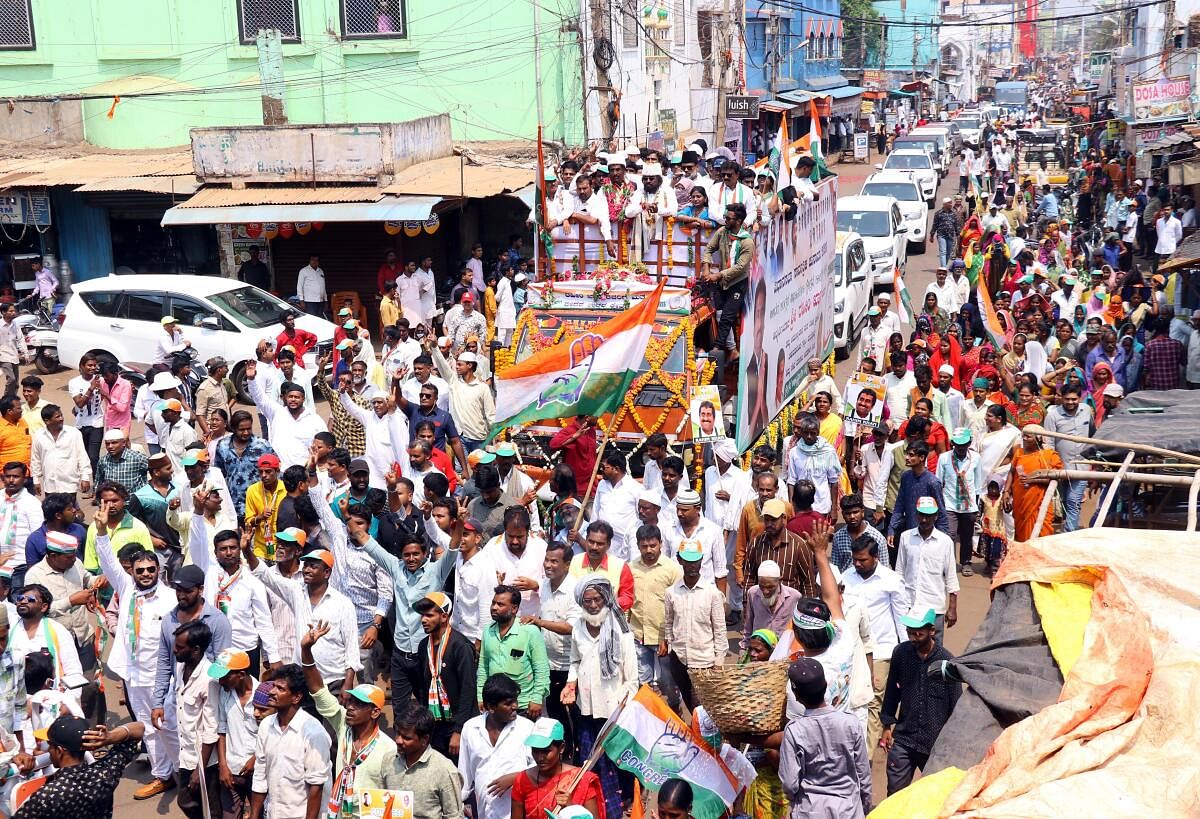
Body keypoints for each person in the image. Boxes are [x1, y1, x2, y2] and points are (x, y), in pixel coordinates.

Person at [91, 502, 181, 800]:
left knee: (168, 725)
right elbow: (107, 562)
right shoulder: (127, 588)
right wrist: (102, 531)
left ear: (159, 570)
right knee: (147, 726)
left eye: (150, 569)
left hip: (162, 677)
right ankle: (162, 775)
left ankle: (185, 775)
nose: (144, 574)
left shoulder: (170, 599)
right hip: (133, 672)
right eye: (139, 570)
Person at [561, 576, 637, 819]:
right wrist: (570, 684)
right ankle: (595, 807)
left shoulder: (622, 632)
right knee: (589, 760)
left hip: (614, 711)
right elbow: (574, 661)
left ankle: (623, 805)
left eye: (597, 599)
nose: (593, 605)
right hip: (586, 708)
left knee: (617, 762)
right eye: (587, 600)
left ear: (607, 598)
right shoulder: (578, 629)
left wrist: (622, 707)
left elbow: (631, 680)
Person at [244, 539, 361, 696]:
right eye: (306, 565)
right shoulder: (296, 592)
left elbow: (351, 646)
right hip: (302, 678)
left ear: (326, 573)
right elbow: (265, 575)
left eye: (313, 566)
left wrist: (348, 682)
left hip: (333, 681)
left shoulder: (343, 604)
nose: (306, 570)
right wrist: (246, 550)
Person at [299, 622, 393, 801]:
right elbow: (318, 689)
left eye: (359, 704)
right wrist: (306, 650)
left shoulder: (388, 749)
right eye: (351, 701)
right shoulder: (343, 724)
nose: (350, 707)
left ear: (374, 712)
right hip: (338, 811)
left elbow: (393, 795)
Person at [841, 537, 911, 757]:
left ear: (876, 557)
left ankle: (866, 757)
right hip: (852, 652)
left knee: (874, 700)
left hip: (882, 651)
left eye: (862, 560)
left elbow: (901, 617)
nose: (858, 564)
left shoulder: (891, 580)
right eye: (855, 560)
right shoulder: (845, 579)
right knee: (853, 699)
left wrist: (905, 652)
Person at [880, 608, 961, 794]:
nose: (913, 638)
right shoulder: (901, 653)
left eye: (918, 633)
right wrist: (886, 725)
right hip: (903, 739)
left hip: (933, 744)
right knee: (895, 796)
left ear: (931, 631)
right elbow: (892, 691)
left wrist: (950, 745)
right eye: (909, 632)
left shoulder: (947, 662)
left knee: (935, 796)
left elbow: (956, 706)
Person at [778, 658, 872, 818]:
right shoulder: (850, 723)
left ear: (796, 695)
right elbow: (863, 773)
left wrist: (795, 802)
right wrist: (865, 806)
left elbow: (789, 782)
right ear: (826, 685)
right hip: (849, 810)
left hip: (810, 810)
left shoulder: (795, 730)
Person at [12, 717, 147, 819]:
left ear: (59, 751)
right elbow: (139, 728)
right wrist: (109, 738)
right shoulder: (105, 773)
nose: (48, 750)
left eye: (50, 745)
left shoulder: (46, 797)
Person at [248, 664, 332, 819]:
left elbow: (316, 786)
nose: (272, 691)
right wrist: (254, 815)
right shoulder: (266, 726)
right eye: (273, 686)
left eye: (280, 689)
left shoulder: (314, 733)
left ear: (296, 697)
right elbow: (260, 775)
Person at [413, 591, 478, 758]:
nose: (423, 620)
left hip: (457, 726)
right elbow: (421, 688)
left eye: (429, 615)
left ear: (444, 617)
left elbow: (468, 689)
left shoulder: (461, 646)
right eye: (422, 615)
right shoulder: (423, 647)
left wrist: (458, 730)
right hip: (434, 726)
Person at [662, 545, 726, 711]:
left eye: (695, 561)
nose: (692, 566)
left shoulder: (713, 593)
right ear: (680, 560)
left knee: (702, 709)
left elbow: (720, 630)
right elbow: (668, 622)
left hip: (704, 661)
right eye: (688, 561)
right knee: (689, 703)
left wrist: (719, 661)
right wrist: (670, 645)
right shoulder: (671, 592)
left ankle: (704, 737)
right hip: (679, 659)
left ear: (701, 561)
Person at [477, 585, 550, 718]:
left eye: (500, 604)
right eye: (493, 603)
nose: (494, 607)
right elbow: (483, 667)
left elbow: (541, 669)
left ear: (514, 608)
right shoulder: (488, 631)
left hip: (523, 706)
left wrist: (537, 698)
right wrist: (481, 696)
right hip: (495, 705)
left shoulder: (530, 632)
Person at [628, 524, 682, 701]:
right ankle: (649, 718)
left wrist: (669, 637)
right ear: (638, 545)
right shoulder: (630, 568)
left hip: (663, 638)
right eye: (644, 546)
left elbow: (678, 606)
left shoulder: (672, 569)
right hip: (638, 635)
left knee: (669, 682)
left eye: (653, 545)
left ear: (660, 543)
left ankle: (675, 712)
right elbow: (628, 600)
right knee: (643, 684)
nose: (649, 550)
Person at [382, 703, 465, 818]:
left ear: (424, 739)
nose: (398, 740)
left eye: (407, 738)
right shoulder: (388, 760)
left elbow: (454, 815)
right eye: (398, 734)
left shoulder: (444, 770)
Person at [510, 717, 604, 819]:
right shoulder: (522, 780)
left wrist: (572, 808)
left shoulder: (581, 780)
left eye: (546, 751)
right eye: (535, 751)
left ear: (561, 748)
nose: (540, 758)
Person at [894, 496, 958, 643]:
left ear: (935, 516)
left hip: (934, 608)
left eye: (928, 516)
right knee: (909, 647)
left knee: (935, 650)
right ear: (916, 515)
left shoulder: (945, 542)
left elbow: (951, 576)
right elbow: (899, 572)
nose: (924, 520)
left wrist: (952, 608)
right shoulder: (905, 538)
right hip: (910, 605)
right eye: (921, 515)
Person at [244, 360, 326, 469]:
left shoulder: (314, 419)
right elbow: (260, 399)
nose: (293, 400)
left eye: (297, 397)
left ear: (303, 399)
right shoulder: (276, 412)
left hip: (305, 471)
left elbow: (324, 443)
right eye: (290, 396)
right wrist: (251, 380)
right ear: (284, 398)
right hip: (279, 470)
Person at [210, 648, 259, 819]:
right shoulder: (225, 695)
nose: (220, 681)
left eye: (225, 676)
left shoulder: (264, 695)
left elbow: (269, 735)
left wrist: (255, 758)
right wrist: (223, 765)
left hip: (258, 771)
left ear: (241, 674)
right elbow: (221, 731)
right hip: (231, 770)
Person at [936, 428, 984, 576]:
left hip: (969, 506)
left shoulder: (975, 458)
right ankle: (948, 563)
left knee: (967, 536)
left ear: (969, 443)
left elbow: (978, 484)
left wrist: (977, 507)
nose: (961, 448)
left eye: (964, 444)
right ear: (952, 444)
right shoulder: (944, 458)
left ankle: (966, 562)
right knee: (949, 535)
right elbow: (939, 481)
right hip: (949, 503)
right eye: (958, 445)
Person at [1003, 427, 1064, 542]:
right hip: (1020, 501)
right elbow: (1012, 472)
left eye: (1028, 437)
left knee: (1042, 532)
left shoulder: (1050, 455)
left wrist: (1034, 479)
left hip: (1041, 502)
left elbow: (1056, 479)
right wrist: (1006, 491)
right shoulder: (1019, 453)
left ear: (1039, 438)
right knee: (1022, 534)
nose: (1024, 439)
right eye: (1023, 436)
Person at [785, 413, 841, 517]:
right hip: (800, 505)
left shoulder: (828, 452)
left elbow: (834, 481)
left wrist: (834, 509)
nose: (809, 436)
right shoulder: (794, 452)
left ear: (818, 432)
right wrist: (791, 505)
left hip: (821, 505)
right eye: (806, 433)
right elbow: (791, 480)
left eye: (813, 433)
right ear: (801, 432)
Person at [30, 405, 90, 498]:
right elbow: (35, 459)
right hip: (50, 486)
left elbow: (82, 456)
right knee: (52, 512)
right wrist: (36, 480)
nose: (61, 418)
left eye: (61, 415)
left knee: (69, 511)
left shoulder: (74, 433)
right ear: (47, 421)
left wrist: (85, 477)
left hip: (70, 484)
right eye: (57, 417)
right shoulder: (39, 436)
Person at [591, 451, 642, 561]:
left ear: (616, 469)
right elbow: (596, 510)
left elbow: (641, 516)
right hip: (601, 543)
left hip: (624, 545)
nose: (601, 470)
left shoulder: (635, 488)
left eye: (605, 467)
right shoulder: (602, 485)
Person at [742, 559, 801, 651]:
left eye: (770, 587)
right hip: (758, 650)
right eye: (762, 586)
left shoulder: (794, 596)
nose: (765, 591)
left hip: (783, 650)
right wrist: (744, 648)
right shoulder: (752, 593)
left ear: (780, 581)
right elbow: (748, 625)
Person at [547, 416, 599, 497]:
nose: (598, 418)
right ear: (587, 417)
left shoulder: (592, 430)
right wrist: (574, 436)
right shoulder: (569, 430)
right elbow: (553, 445)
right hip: (575, 491)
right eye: (596, 415)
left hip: (591, 489)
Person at [0, 301, 28, 398]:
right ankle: (5, 400)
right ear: (3, 312)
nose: (13, 313)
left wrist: (25, 353)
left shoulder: (15, 324)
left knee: (16, 383)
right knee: (11, 379)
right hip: (3, 356)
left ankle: (12, 401)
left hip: (14, 355)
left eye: (14, 311)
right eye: (10, 311)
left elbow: (20, 339)